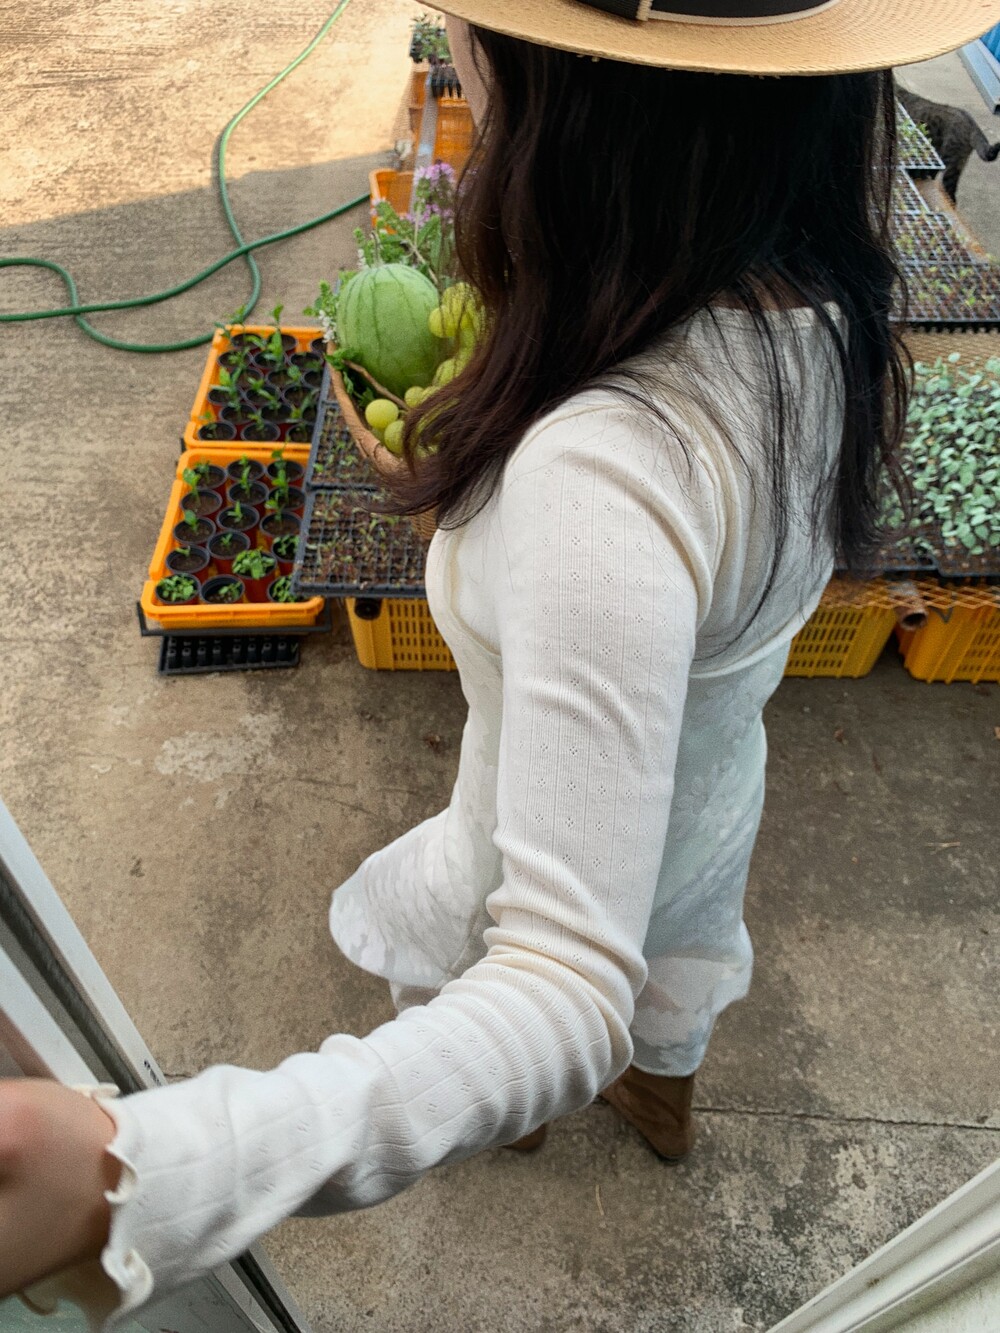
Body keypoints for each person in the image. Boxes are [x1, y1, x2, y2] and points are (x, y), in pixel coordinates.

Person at [1, 0, 993, 1326]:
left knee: (510, 987)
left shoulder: (603, 469)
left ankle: (520, 1128)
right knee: (677, 970)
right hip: (710, 796)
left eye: (474, 23)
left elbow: (560, 991)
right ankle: (663, 1108)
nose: (458, 44)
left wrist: (139, 1174)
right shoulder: (816, 314)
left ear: (571, 92)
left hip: (537, 817)